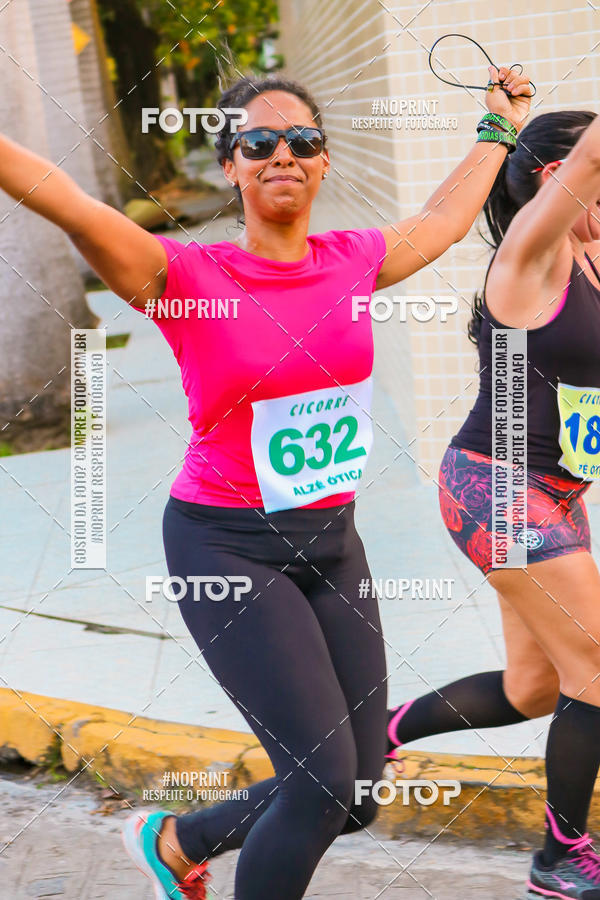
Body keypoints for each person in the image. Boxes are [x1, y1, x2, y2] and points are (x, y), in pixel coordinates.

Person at [0, 65, 530, 899]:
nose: (283, 152)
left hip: (333, 544)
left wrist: (500, 123)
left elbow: (442, 219)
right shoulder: (186, 279)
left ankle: (180, 839)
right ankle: (184, 841)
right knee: (320, 786)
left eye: (304, 141)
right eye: (259, 141)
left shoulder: (352, 261)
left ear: (323, 165)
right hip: (227, 545)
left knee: (353, 793)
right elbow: (65, 198)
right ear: (233, 167)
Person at [385, 109, 600, 899]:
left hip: (555, 495)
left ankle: (382, 732)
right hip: (496, 490)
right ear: (557, 180)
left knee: (534, 689)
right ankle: (560, 855)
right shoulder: (529, 259)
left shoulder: (590, 255)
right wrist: (507, 128)